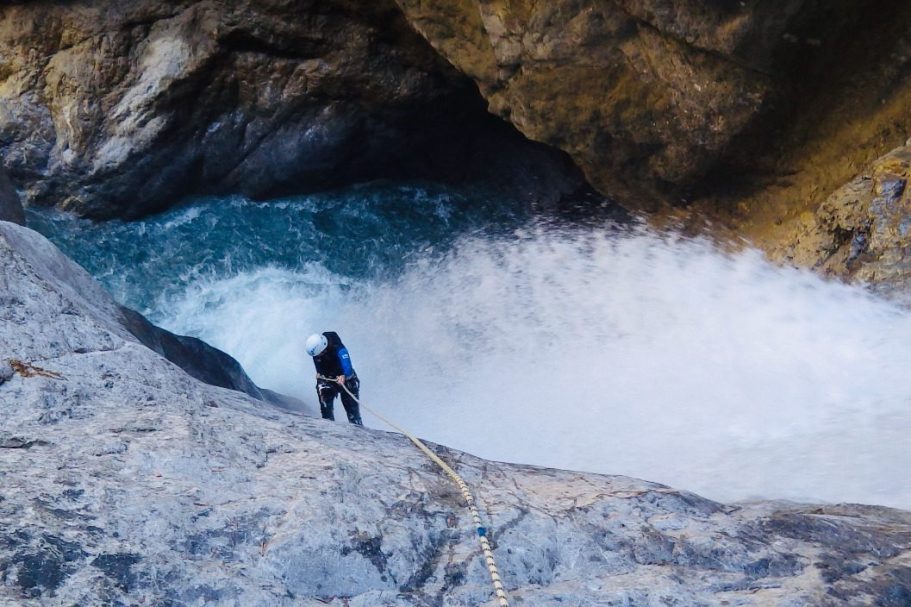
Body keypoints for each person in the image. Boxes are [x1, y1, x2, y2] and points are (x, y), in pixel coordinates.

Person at [305, 331, 363, 426]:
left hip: (347, 380)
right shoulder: (317, 351)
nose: (317, 357)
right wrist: (320, 375)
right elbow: (319, 367)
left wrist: (345, 376)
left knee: (353, 415)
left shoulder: (338, 347)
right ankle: (328, 426)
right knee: (326, 410)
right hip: (328, 379)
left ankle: (358, 430)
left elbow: (347, 365)